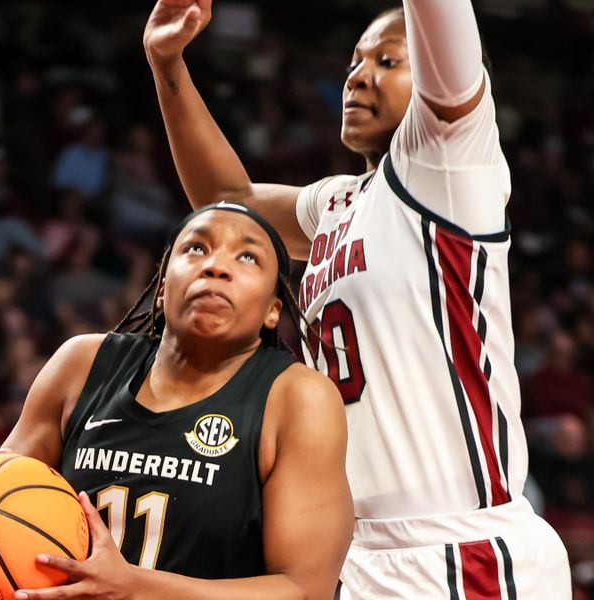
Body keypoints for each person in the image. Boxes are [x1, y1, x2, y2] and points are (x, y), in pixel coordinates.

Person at [143, 1, 572, 597]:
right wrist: (167, 64)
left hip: (459, 550)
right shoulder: (337, 204)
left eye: (387, 59)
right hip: (354, 550)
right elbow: (225, 196)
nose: (358, 74)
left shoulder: (448, 161)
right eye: (354, 60)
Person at [0, 203, 353, 599]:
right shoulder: (83, 363)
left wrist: (134, 588)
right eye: (196, 249)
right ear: (161, 284)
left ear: (274, 309)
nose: (216, 266)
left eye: (248, 256)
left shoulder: (296, 398)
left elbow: (303, 590)